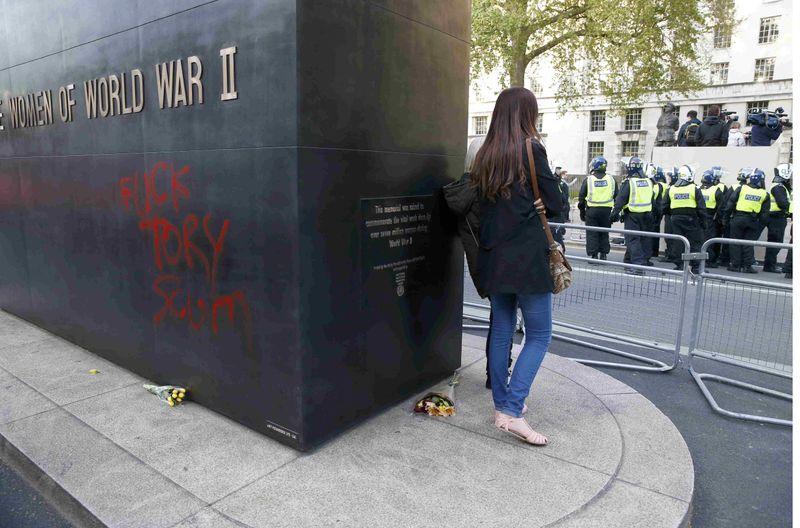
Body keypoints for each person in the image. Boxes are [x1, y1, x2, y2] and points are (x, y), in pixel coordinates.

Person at [471, 86, 561, 446]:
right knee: (539, 335)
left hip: (493, 256)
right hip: (526, 257)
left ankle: (501, 408)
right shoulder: (531, 148)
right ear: (528, 114)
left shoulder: (484, 153)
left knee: (503, 329)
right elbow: (554, 202)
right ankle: (512, 410)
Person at [610, 157, 655, 274]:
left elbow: (620, 200)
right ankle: (629, 261)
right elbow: (652, 199)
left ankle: (638, 266)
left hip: (633, 215)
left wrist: (614, 214)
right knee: (642, 239)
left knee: (633, 240)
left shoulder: (629, 182)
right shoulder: (648, 181)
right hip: (647, 215)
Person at [722, 169, 771, 273]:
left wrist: (725, 219)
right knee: (748, 244)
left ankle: (735, 265)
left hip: (738, 218)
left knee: (735, 242)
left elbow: (730, 204)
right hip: (752, 220)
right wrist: (759, 227)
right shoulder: (764, 194)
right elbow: (765, 214)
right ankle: (747, 266)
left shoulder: (741, 189)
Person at [662, 166, 706, 273]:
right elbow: (701, 207)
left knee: (678, 242)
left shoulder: (671, 189)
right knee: (695, 242)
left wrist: (672, 215)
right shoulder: (694, 188)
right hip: (691, 219)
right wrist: (704, 222)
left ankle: (680, 265)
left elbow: (664, 206)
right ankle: (695, 266)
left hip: (675, 219)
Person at [578, 156, 615, 260]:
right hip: (607, 211)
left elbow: (581, 197)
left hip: (592, 211)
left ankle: (594, 255)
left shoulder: (589, 180)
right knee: (604, 232)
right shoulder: (611, 179)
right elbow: (617, 195)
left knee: (592, 233)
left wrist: (582, 212)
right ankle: (603, 254)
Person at [718, 168, 751, 267]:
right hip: (737, 216)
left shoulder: (734, 187)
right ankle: (737, 262)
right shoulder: (749, 189)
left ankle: (727, 260)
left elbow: (725, 202)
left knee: (731, 240)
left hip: (733, 217)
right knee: (737, 241)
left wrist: (724, 217)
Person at [764, 163, 793, 272]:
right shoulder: (779, 187)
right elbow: (783, 203)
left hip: (776, 217)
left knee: (774, 242)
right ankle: (770, 266)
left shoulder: (779, 186)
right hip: (776, 217)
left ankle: (769, 265)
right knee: (776, 242)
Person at [699, 169, 726, 268]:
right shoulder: (716, 190)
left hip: (699, 217)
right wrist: (719, 219)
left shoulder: (698, 189)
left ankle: (699, 259)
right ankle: (709, 261)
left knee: (699, 239)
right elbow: (721, 206)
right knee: (709, 240)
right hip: (711, 218)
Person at [660, 167, 682, 265]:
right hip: (678, 215)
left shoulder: (671, 189)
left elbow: (664, 203)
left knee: (669, 236)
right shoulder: (682, 188)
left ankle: (671, 255)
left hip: (670, 215)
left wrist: (663, 212)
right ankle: (675, 255)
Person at [649, 165, 667, 262]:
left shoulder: (655, 186)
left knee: (651, 232)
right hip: (660, 210)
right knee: (656, 232)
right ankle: (654, 252)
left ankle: (651, 252)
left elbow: (653, 199)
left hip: (654, 210)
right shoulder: (664, 185)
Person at [552, 168, 571, 251]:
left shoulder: (560, 184)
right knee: (557, 234)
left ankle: (559, 254)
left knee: (556, 235)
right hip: (557, 213)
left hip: (555, 213)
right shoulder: (561, 184)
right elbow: (565, 200)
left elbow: (565, 200)